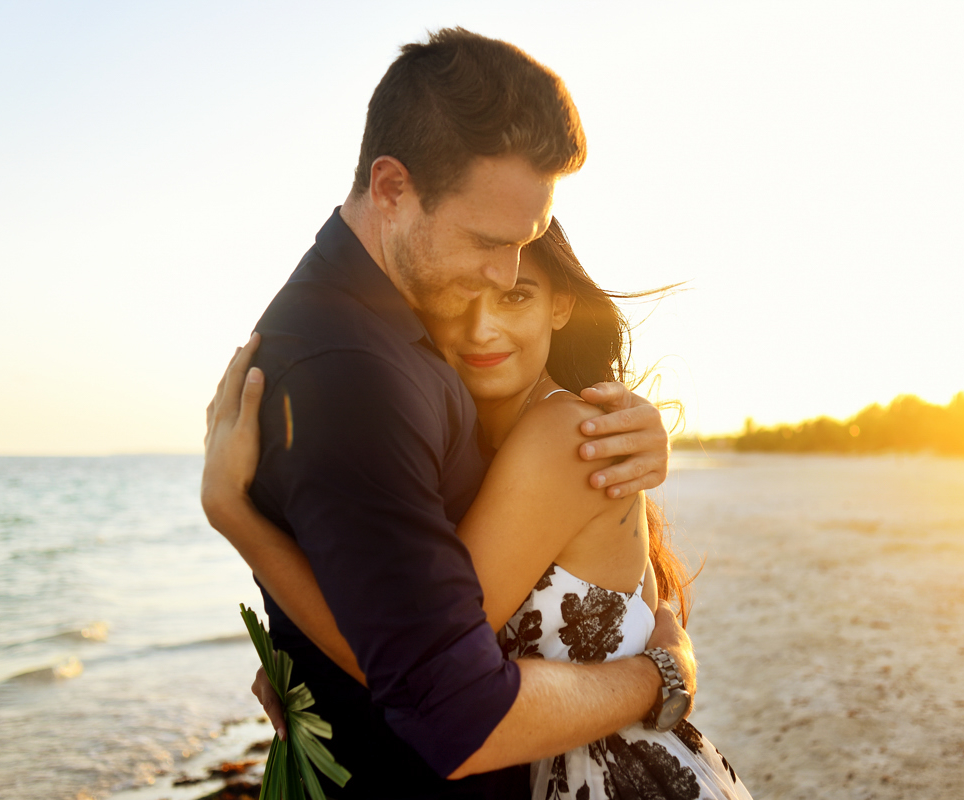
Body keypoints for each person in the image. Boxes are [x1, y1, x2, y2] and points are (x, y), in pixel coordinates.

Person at [200, 28, 697, 800]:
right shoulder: (364, 368)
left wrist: (241, 524)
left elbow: (404, 663)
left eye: (524, 260)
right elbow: (415, 666)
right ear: (392, 187)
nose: (496, 283)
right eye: (488, 243)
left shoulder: (520, 405)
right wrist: (658, 675)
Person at [205, 217, 752, 799]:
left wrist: (236, 516)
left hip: (606, 778)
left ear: (561, 305)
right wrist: (298, 663)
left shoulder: (565, 436)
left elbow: (407, 659)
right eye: (459, 297)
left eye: (516, 296)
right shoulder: (471, 450)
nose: (481, 328)